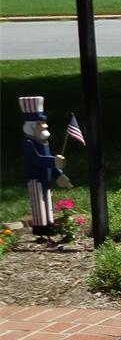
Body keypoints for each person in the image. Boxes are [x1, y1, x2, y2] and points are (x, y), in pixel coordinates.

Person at [19, 96, 72, 237]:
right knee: (39, 203)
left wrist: (59, 175)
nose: (45, 125)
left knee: (47, 201)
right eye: (40, 123)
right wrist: (54, 161)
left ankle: (49, 223)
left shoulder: (44, 143)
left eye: (44, 122)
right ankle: (40, 226)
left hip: (46, 180)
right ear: (31, 126)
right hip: (36, 179)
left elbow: (49, 161)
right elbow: (37, 160)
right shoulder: (29, 143)